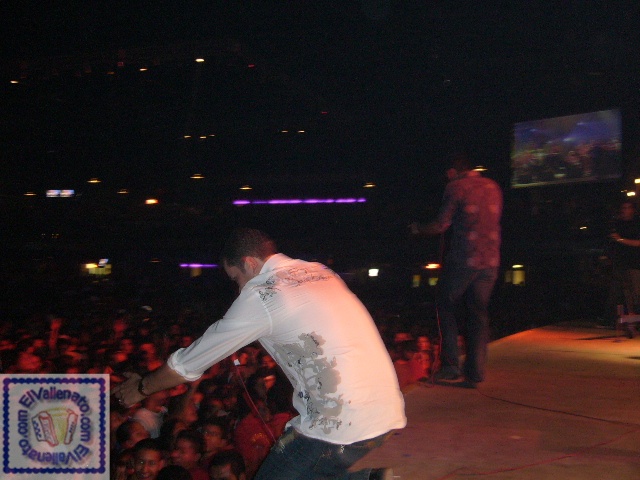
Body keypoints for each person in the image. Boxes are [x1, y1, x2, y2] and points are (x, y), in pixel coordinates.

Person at [112, 228, 406, 480]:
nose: (239, 289)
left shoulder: (263, 292)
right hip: (386, 415)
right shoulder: (320, 271)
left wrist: (141, 388)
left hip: (340, 426)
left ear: (249, 263)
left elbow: (185, 365)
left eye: (236, 279)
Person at [410, 151, 503, 387]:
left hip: (464, 259)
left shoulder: (456, 187)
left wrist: (418, 228)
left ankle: (451, 367)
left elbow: (441, 224)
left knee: (446, 305)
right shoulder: (493, 186)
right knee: (478, 313)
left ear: (452, 172)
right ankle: (476, 372)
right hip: (491, 261)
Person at [607, 201, 640, 322]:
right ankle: (631, 318)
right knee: (625, 292)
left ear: (633, 210)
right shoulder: (617, 224)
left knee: (636, 291)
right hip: (620, 262)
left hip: (635, 263)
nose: (625, 211)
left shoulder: (636, 224)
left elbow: (638, 243)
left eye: (628, 208)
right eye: (623, 208)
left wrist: (620, 239)